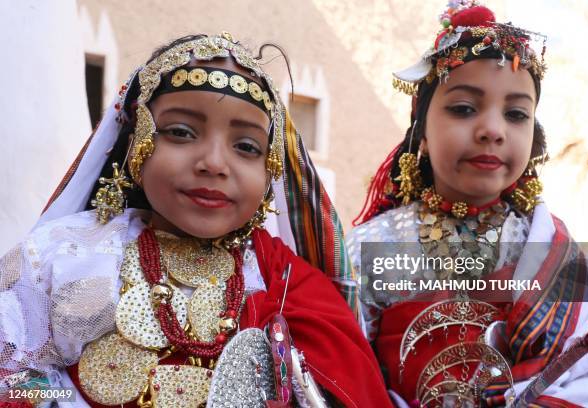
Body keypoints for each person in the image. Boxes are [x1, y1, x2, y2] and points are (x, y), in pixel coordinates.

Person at [0, 33, 391, 408]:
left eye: (246, 147)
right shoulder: (64, 254)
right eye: (182, 132)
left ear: (270, 167)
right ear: (137, 143)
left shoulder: (287, 283)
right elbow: (10, 373)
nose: (215, 163)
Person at [346, 2, 588, 407]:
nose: (492, 129)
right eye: (464, 109)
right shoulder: (369, 248)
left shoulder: (547, 248)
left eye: (516, 114)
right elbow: (340, 376)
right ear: (421, 123)